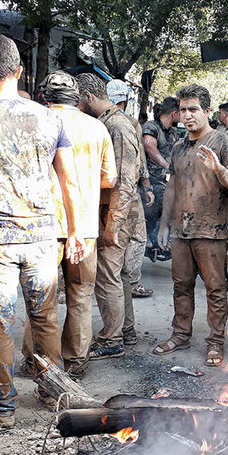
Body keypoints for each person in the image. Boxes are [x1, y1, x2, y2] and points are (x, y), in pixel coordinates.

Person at [0, 34, 85, 428]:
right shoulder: (52, 118)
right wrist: (77, 232)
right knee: (45, 317)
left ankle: (1, 407)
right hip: (42, 236)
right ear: (19, 71)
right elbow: (69, 181)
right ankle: (55, 393)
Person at [153, 84, 228, 367]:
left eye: (193, 109)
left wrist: (218, 168)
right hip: (181, 231)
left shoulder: (223, 142)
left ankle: (215, 342)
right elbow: (172, 189)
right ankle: (180, 334)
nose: (187, 115)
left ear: (206, 111)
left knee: (215, 289)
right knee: (181, 286)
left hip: (212, 230)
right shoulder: (178, 147)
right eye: (182, 110)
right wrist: (164, 225)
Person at [37, 71, 116, 378]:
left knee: (41, 297)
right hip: (83, 227)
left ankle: (39, 361)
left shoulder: (38, 121)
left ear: (45, 96)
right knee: (80, 294)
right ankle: (75, 361)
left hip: (43, 225)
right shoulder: (97, 128)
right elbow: (110, 179)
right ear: (78, 98)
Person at [76, 73, 143, 358]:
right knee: (118, 275)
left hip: (115, 213)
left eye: (78, 101)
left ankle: (111, 339)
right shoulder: (110, 123)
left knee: (108, 276)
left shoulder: (116, 126)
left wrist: (113, 224)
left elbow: (126, 180)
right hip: (113, 211)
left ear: (89, 97)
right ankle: (124, 330)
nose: (77, 107)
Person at [107, 79, 155, 303]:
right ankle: (131, 282)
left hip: (104, 190)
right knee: (137, 235)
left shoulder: (98, 121)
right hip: (128, 189)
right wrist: (146, 184)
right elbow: (140, 158)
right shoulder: (129, 123)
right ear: (125, 100)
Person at [142, 97, 179, 254]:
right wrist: (166, 165)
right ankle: (148, 236)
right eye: (180, 112)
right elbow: (149, 146)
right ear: (174, 113)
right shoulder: (152, 126)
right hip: (149, 179)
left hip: (166, 179)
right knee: (161, 200)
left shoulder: (173, 133)